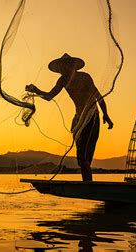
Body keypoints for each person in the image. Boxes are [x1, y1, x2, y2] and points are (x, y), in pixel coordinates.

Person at [25, 53, 113, 181]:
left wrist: (106, 114)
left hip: (91, 116)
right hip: (78, 119)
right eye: (62, 68)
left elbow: (98, 96)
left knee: (85, 156)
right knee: (81, 157)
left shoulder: (84, 77)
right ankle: (87, 183)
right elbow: (50, 96)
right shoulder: (63, 80)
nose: (64, 70)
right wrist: (36, 90)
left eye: (66, 66)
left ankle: (88, 184)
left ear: (73, 66)